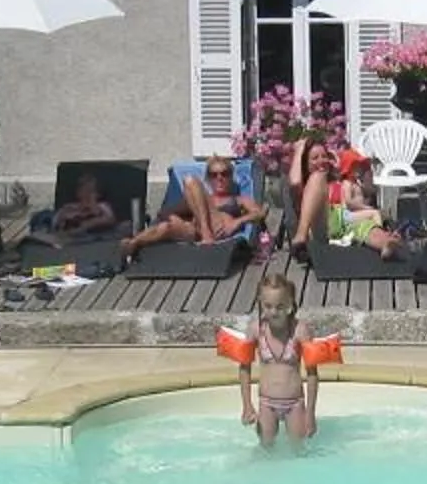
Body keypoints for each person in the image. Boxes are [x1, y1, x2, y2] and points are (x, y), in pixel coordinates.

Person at [239, 270, 318, 447]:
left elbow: (312, 374)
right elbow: (244, 367)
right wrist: (247, 404)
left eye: (280, 306)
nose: (273, 312)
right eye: (268, 306)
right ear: (260, 303)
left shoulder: (300, 330)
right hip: (266, 403)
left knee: (299, 451)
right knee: (266, 450)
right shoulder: (255, 330)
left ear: (290, 304)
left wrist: (310, 413)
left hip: (295, 403)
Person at [125, 159, 262, 259]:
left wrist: (237, 222)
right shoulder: (199, 198)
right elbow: (164, 213)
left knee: (190, 181)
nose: (219, 178)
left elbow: (260, 212)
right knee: (166, 227)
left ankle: (206, 230)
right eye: (214, 175)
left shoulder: (238, 199)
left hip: (217, 230)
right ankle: (134, 243)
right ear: (208, 179)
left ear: (231, 177)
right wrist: (177, 218)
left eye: (224, 174)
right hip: (195, 233)